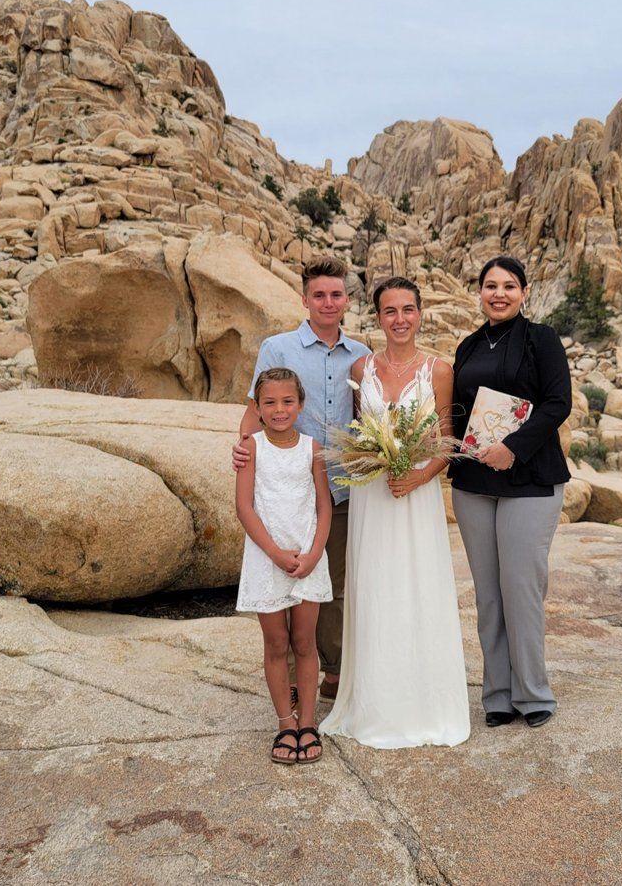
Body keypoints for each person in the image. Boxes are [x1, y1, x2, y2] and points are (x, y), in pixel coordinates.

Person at [320, 277, 470, 748]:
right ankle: (374, 702)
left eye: (408, 309)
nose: (400, 319)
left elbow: (448, 439)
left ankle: (424, 704)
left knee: (417, 587)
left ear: (420, 314)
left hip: (416, 495)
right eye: (390, 311)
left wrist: (419, 477)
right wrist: (370, 462)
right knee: (374, 588)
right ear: (378, 317)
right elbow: (359, 434)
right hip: (372, 495)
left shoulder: (439, 370)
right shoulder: (361, 368)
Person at [234, 256, 371, 704]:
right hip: (286, 490)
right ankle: (291, 680)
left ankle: (332, 672)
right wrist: (243, 449)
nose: (328, 302)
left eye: (336, 295)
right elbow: (257, 408)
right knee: (286, 581)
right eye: (319, 295)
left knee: (333, 586)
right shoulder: (278, 348)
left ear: (346, 300)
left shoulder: (361, 356)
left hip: (342, 486)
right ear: (305, 299)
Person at [448, 256, 571, 729]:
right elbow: (458, 411)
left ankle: (533, 693)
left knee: (521, 589)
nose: (499, 294)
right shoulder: (468, 345)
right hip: (474, 484)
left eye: (509, 286)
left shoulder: (542, 339)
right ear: (479, 291)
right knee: (488, 596)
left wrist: (512, 449)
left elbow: (558, 403)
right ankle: (498, 695)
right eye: (490, 286)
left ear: (524, 292)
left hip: (530, 481)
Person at [235, 367, 334, 764]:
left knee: (304, 643)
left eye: (288, 401)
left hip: (308, 557)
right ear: (257, 408)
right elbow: (244, 507)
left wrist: (314, 554)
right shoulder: (252, 448)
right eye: (270, 403)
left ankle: (307, 722)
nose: (279, 410)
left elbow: (324, 506)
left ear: (301, 404)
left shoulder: (312, 447)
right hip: (267, 558)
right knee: (276, 643)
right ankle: (285, 723)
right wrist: (275, 553)